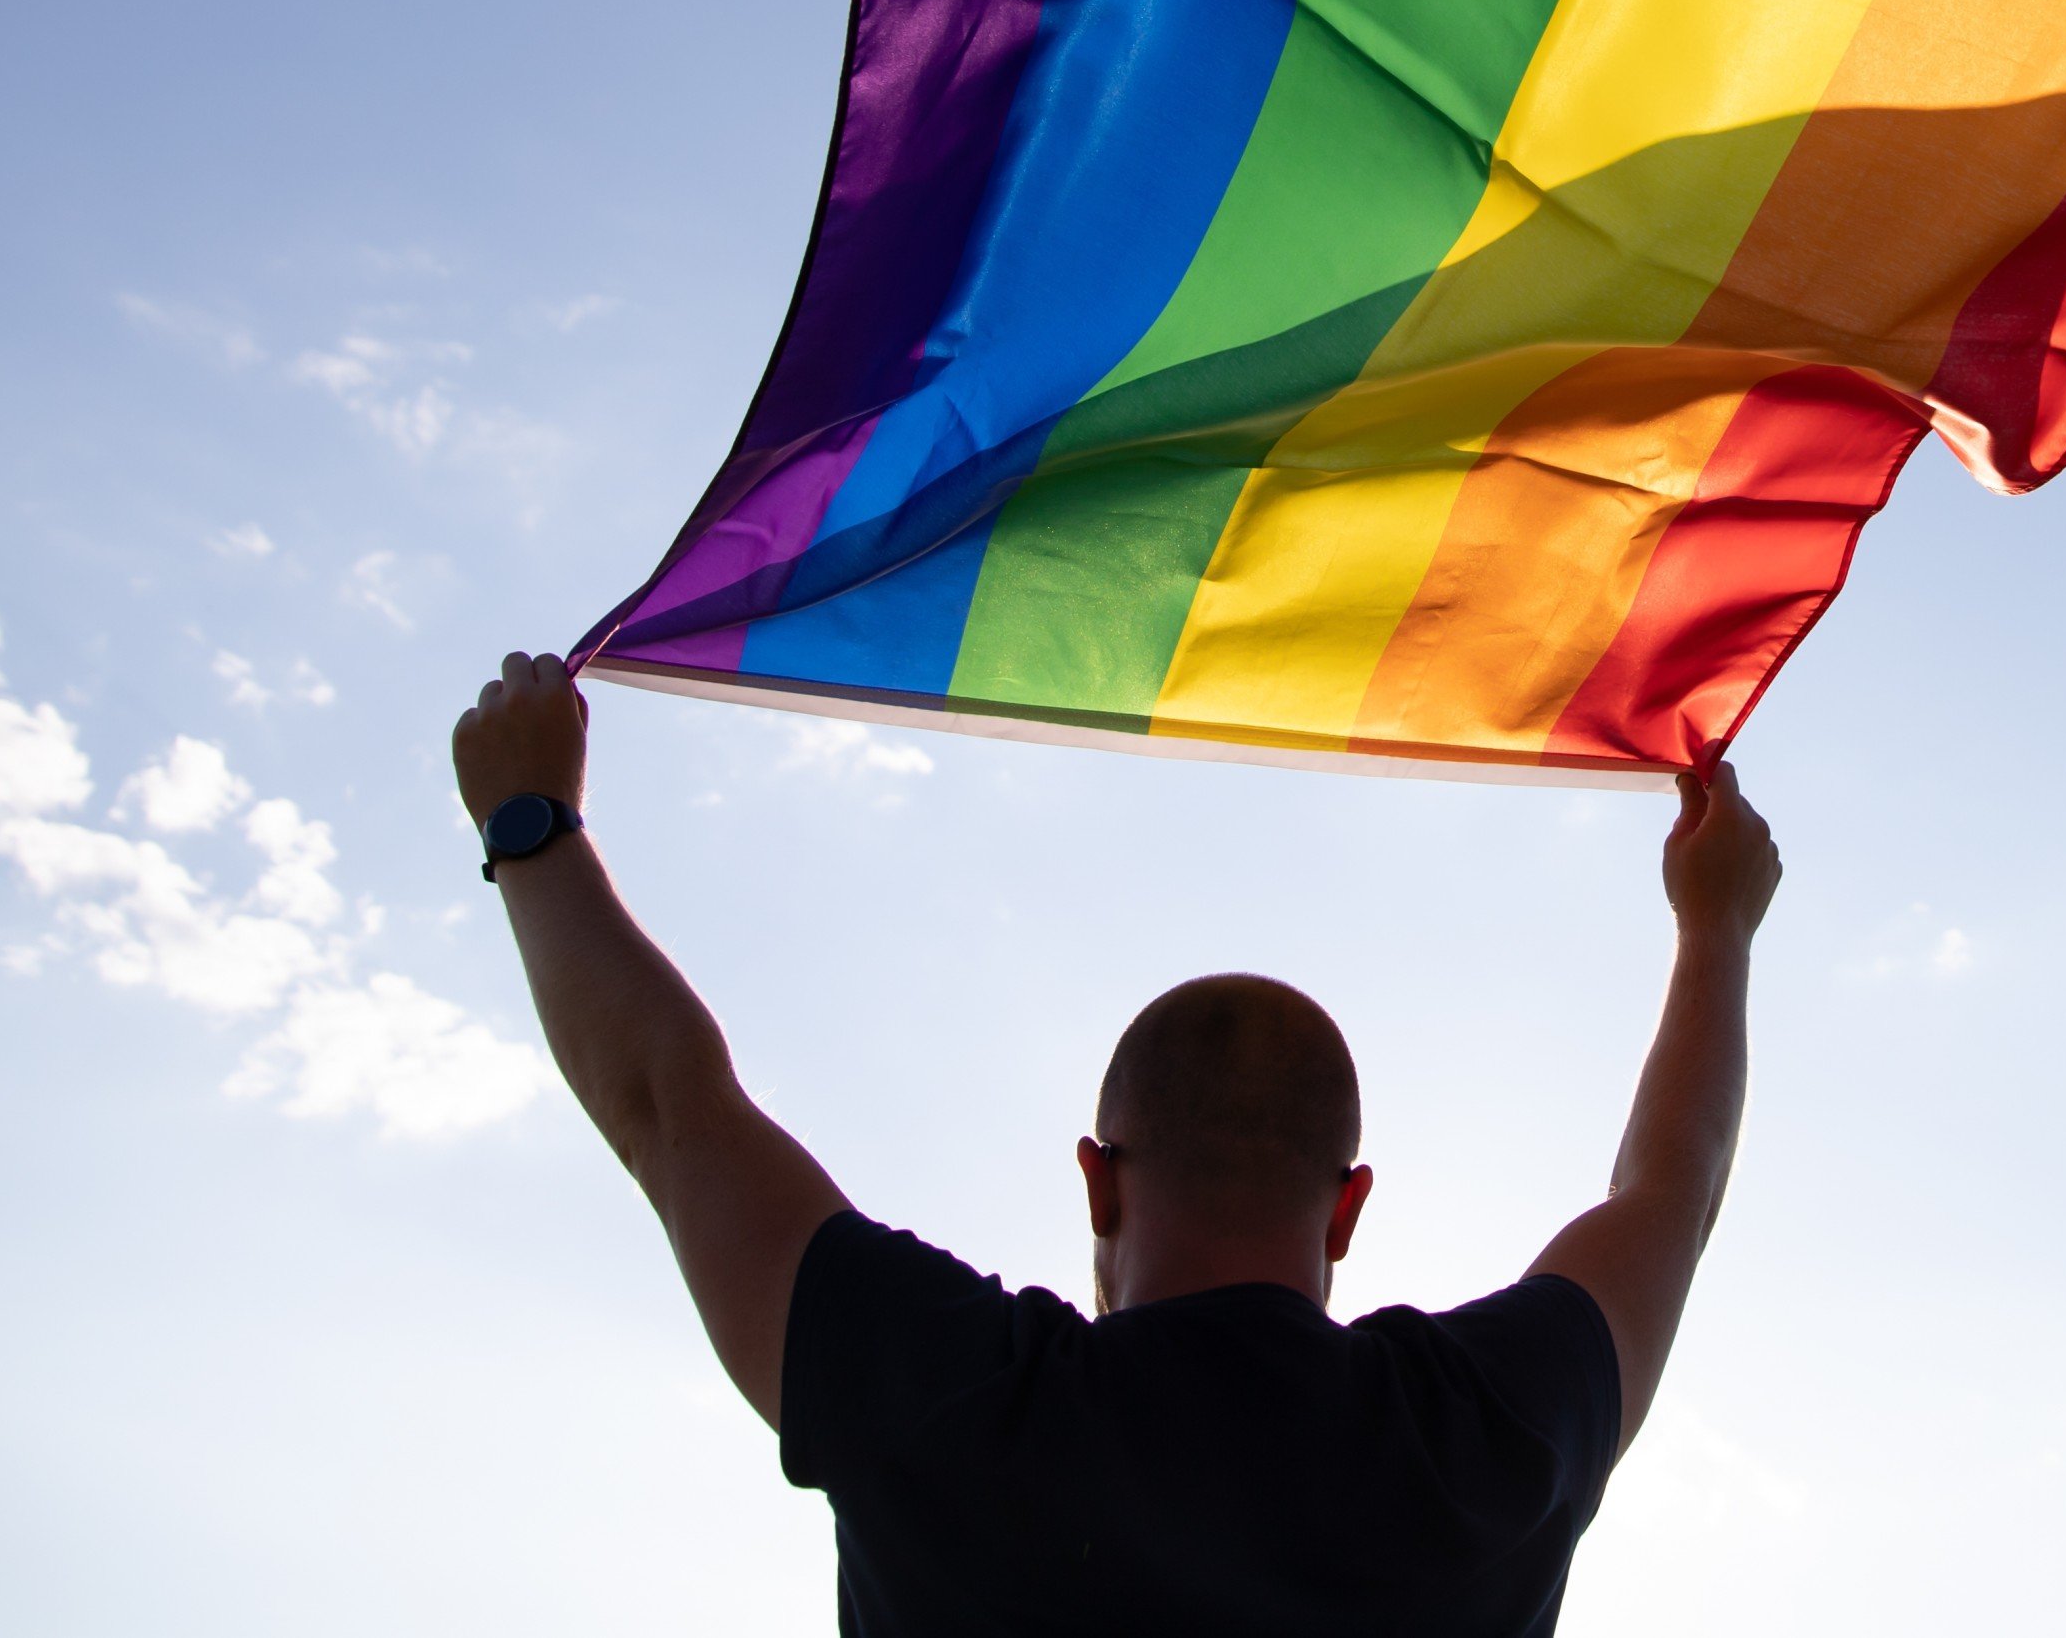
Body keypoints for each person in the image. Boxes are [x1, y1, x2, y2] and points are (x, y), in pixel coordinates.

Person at [451, 650, 1783, 1636]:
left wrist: (534, 823)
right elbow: (1672, 1190)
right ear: (1347, 1208)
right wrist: (1714, 925)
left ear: (1097, 1176)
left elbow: (670, 1105)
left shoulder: (954, 1402)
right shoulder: (1482, 1438)